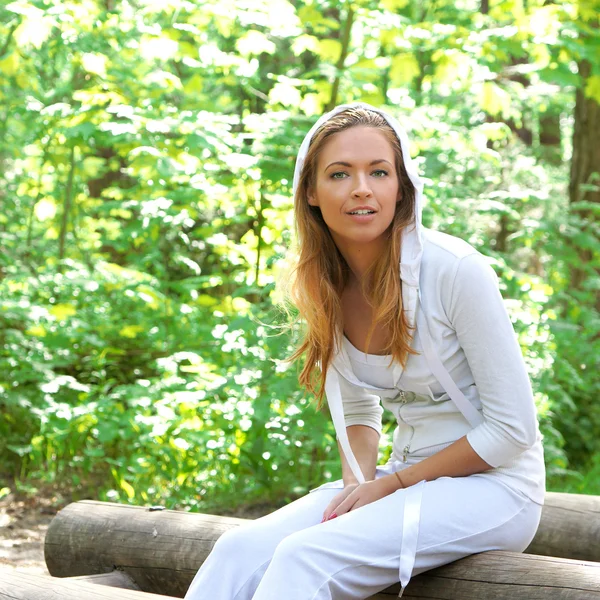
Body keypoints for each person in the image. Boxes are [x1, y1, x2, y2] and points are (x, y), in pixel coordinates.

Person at [184, 102, 546, 600]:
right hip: (400, 478)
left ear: (401, 186)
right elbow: (356, 407)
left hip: (497, 487)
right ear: (310, 192)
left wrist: (390, 487)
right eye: (340, 173)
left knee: (305, 556)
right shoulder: (322, 283)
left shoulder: (456, 271)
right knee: (237, 550)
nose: (362, 188)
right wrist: (358, 483)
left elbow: (514, 430)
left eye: (379, 171)